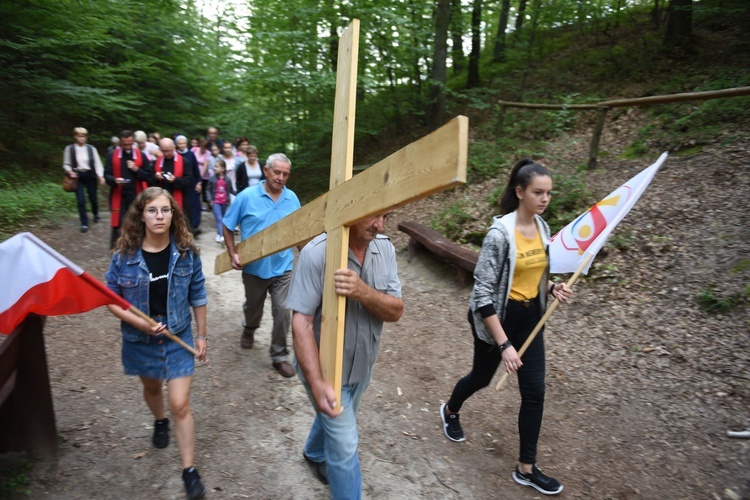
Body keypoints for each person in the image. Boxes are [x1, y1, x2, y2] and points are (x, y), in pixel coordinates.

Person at [440, 158, 572, 496]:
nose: (545, 199)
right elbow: (482, 294)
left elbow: (535, 273)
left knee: (535, 392)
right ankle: (451, 409)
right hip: (496, 320)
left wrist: (553, 287)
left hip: (531, 319)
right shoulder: (499, 234)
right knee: (482, 378)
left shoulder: (542, 228)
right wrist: (503, 344)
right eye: (538, 193)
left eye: (549, 193)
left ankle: (526, 468)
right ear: (520, 192)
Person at [286, 212, 403, 499]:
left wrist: (363, 292)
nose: (379, 225)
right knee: (345, 447)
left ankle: (314, 452)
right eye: (373, 217)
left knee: (337, 417)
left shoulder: (384, 248)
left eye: (385, 216)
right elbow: (301, 323)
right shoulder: (317, 253)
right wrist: (316, 383)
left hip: (363, 365)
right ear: (352, 210)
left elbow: (396, 310)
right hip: (326, 372)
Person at [105, 187, 207, 500]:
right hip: (139, 339)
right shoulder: (124, 256)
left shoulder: (187, 252)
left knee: (180, 403)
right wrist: (142, 324)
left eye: (165, 210)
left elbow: (198, 295)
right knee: (151, 390)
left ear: (173, 214)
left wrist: (202, 336)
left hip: (179, 336)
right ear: (141, 215)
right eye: (152, 211)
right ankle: (159, 421)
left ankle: (188, 469)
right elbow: (110, 298)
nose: (159, 216)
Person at [221, 153, 301, 377]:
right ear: (266, 171)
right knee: (253, 308)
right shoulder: (246, 196)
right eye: (277, 172)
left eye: (285, 174)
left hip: (283, 267)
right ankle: (250, 328)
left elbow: (300, 231)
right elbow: (227, 226)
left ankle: (279, 355)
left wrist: (311, 256)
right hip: (254, 269)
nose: (281, 177)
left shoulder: (292, 199)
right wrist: (232, 253)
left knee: (283, 311)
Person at [104, 130, 153, 249]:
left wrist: (136, 169)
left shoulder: (141, 155)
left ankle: (138, 250)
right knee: (118, 226)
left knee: (137, 224)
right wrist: (114, 180)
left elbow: (148, 175)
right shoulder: (112, 155)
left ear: (133, 142)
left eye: (130, 144)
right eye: (124, 144)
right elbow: (107, 175)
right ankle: (116, 252)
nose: (127, 147)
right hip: (119, 196)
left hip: (136, 195)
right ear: (120, 142)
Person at [63, 127, 105, 233]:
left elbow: (97, 163)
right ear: (75, 137)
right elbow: (66, 163)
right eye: (79, 136)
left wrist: (101, 176)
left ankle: (96, 214)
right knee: (81, 201)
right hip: (77, 177)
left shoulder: (91, 149)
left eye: (84, 136)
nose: (82, 138)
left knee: (93, 198)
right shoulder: (70, 148)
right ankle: (84, 223)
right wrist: (70, 171)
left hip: (90, 175)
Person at [154, 138, 194, 213]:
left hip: (180, 198)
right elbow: (150, 180)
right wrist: (156, 177)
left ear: (174, 148)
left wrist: (175, 180)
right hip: (161, 198)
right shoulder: (157, 162)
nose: (166, 154)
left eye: (168, 151)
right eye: (163, 151)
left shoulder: (184, 162)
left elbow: (189, 182)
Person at [176, 135, 202, 235]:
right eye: (180, 143)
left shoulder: (191, 154)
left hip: (191, 183)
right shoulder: (175, 155)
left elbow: (196, 169)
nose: (182, 145)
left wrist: (199, 182)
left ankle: (193, 226)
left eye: (183, 143)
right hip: (179, 183)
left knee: (193, 204)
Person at [206, 158, 233, 243]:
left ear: (223, 168)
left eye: (217, 166)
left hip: (224, 202)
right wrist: (210, 200)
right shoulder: (212, 179)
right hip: (215, 202)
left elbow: (231, 190)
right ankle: (222, 236)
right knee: (219, 218)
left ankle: (219, 234)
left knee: (222, 219)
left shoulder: (227, 180)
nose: (215, 168)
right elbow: (208, 189)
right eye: (214, 166)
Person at [191, 139, 213, 211]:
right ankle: (197, 205)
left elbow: (205, 166)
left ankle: (209, 205)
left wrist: (199, 178)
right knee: (196, 190)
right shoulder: (194, 150)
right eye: (202, 147)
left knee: (204, 190)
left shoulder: (208, 153)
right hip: (194, 173)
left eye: (204, 148)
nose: (202, 149)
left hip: (204, 175)